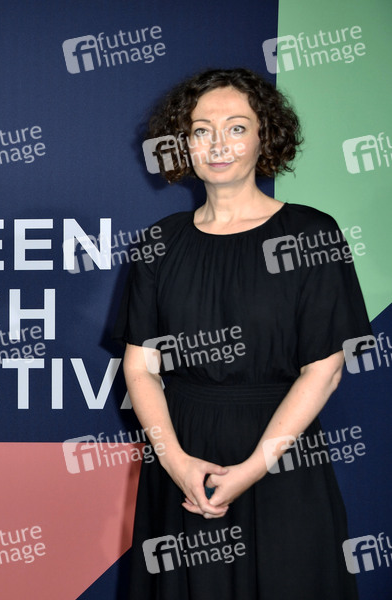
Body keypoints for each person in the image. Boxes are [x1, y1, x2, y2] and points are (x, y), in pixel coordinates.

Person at [115, 68, 371, 599]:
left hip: (281, 457)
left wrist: (253, 468)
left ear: (264, 136)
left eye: (236, 127)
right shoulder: (160, 242)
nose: (218, 144)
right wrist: (177, 463)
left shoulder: (310, 233)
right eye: (201, 130)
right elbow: (140, 368)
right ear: (183, 143)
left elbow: (324, 370)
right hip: (182, 460)